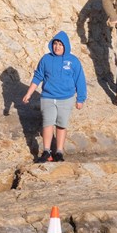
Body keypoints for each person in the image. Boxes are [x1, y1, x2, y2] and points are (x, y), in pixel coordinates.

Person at [20, 31, 87, 163]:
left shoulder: (73, 61)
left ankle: (59, 152)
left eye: (60, 44)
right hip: (48, 97)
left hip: (66, 98)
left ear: (66, 46)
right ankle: (46, 151)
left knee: (61, 125)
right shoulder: (46, 59)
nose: (57, 47)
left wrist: (81, 99)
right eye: (55, 44)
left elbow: (80, 80)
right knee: (48, 123)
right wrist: (29, 93)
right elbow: (38, 76)